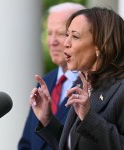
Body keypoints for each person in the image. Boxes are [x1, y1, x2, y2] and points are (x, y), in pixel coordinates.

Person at [29, 7, 124, 150]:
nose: (65, 43)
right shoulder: (83, 85)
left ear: (100, 44)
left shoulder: (120, 89)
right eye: (67, 35)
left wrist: (88, 118)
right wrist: (47, 119)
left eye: (75, 36)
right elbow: (74, 145)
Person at [18, 2, 85, 150]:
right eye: (49, 33)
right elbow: (26, 143)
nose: (52, 41)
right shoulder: (45, 81)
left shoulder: (93, 84)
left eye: (61, 33)